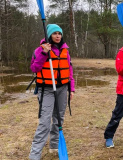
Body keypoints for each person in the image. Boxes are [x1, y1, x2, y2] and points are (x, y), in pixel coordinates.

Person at [29, 24, 75, 160]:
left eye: (59, 33)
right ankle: (35, 154)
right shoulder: (39, 50)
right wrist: (44, 53)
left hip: (62, 88)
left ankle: (54, 146)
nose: (57, 36)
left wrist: (71, 88)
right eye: (54, 33)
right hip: (46, 89)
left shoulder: (65, 51)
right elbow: (34, 68)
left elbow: (70, 70)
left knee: (59, 119)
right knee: (44, 122)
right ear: (49, 35)